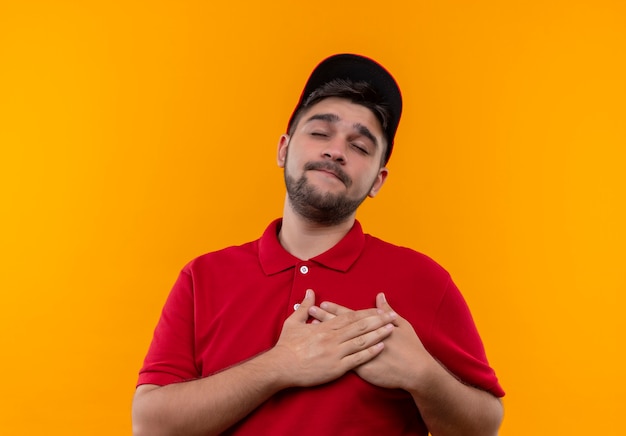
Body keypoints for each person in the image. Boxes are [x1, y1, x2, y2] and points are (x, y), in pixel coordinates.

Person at [132, 54, 505, 436]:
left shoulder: (424, 280)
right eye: (320, 133)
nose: (336, 151)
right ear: (283, 149)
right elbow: (151, 426)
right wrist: (280, 364)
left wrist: (423, 376)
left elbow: (485, 426)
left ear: (378, 180)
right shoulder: (203, 277)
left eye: (359, 146)